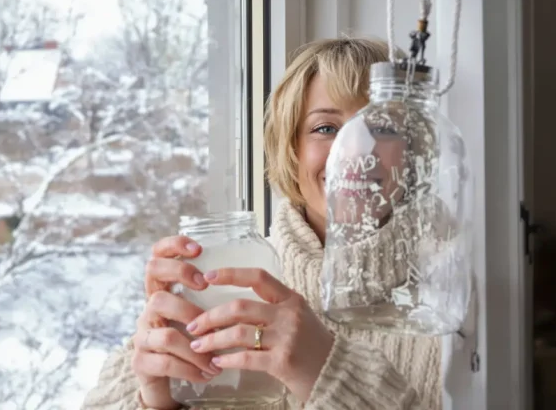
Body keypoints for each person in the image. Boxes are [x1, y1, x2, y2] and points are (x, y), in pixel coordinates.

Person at [81, 37, 446, 410]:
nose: (355, 150)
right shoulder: (222, 288)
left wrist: (330, 374)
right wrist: (157, 401)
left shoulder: (460, 307)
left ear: (415, 150)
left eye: (381, 127)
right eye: (326, 128)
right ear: (290, 148)